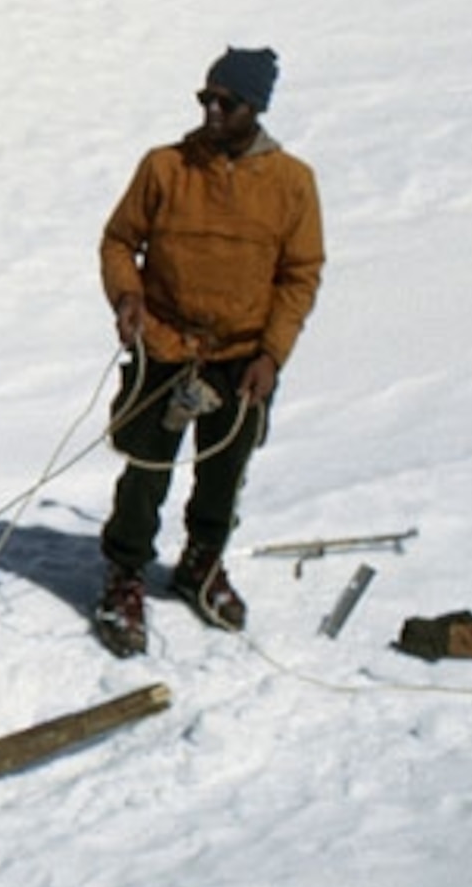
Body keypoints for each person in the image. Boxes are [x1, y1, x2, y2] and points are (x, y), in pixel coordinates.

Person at [93, 47, 325, 656]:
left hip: (241, 357)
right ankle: (124, 573)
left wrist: (271, 355)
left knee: (224, 471)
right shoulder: (165, 168)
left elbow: (299, 276)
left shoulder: (291, 184)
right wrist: (128, 299)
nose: (214, 111)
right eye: (207, 99)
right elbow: (120, 242)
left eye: (228, 102)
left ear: (257, 108)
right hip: (165, 347)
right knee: (146, 469)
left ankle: (201, 562)